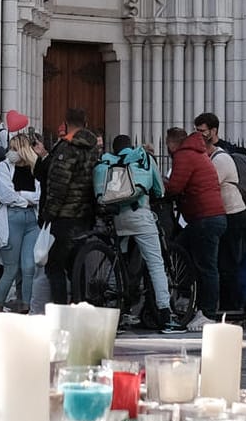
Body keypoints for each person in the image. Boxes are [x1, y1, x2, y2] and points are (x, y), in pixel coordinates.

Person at [96, 134, 185, 334]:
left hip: (117, 216)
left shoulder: (108, 161)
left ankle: (115, 310)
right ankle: (166, 314)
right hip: (140, 215)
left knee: (119, 263)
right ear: (131, 145)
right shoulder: (141, 156)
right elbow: (159, 189)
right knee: (155, 263)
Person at [34, 108, 102, 306]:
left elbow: (58, 184)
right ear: (85, 122)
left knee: (55, 266)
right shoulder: (92, 148)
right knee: (76, 265)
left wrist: (49, 213)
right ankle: (80, 305)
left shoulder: (67, 148)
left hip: (64, 216)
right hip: (85, 213)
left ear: (66, 123)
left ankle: (61, 310)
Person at [163, 125, 227, 326]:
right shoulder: (198, 153)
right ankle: (187, 298)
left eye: (167, 144)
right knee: (181, 250)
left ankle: (207, 313)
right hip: (209, 216)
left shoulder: (184, 154)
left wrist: (161, 183)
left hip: (204, 218)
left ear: (173, 143)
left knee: (206, 267)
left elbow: (175, 187)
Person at [199, 113, 246, 317]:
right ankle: (226, 304)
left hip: (232, 213)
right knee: (222, 261)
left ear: (213, 131)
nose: (200, 135)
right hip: (222, 213)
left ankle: (231, 306)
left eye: (202, 131)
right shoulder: (212, 155)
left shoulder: (221, 157)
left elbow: (207, 183)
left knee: (228, 262)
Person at [0, 133, 42, 313]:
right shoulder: (4, 167)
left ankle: (25, 306)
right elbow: (5, 194)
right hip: (11, 218)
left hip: (32, 220)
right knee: (11, 269)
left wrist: (22, 197)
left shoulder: (36, 168)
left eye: (14, 148)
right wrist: (25, 200)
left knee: (29, 267)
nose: (10, 152)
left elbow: (38, 196)